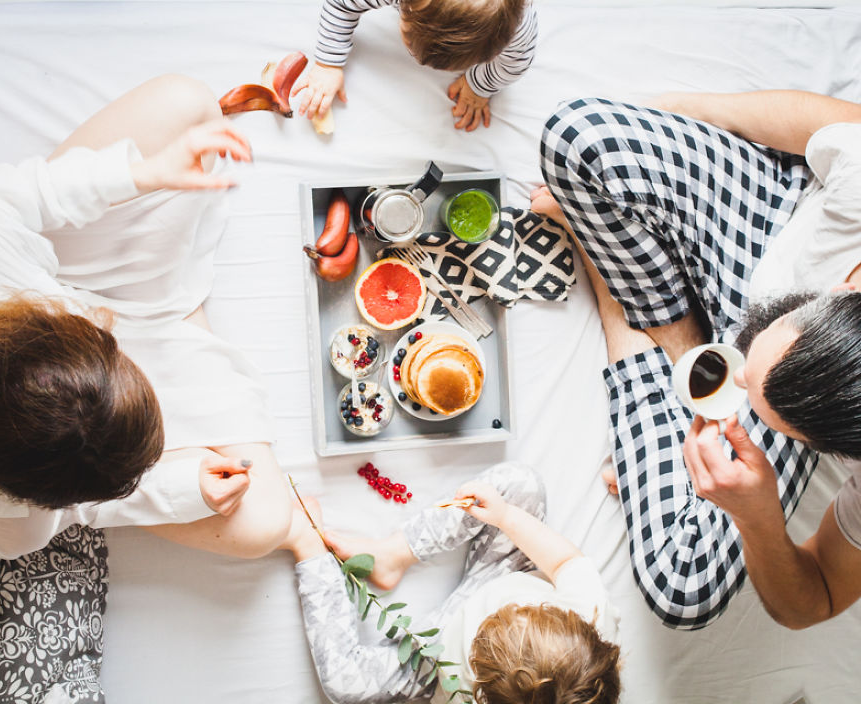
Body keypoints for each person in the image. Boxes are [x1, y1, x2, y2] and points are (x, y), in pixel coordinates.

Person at [0, 74, 292, 701]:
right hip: (89, 310)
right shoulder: (9, 517)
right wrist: (173, 490)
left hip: (72, 278)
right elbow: (77, 505)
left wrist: (144, 174)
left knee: (188, 105)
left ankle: (175, 317)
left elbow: (30, 195)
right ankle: (184, 318)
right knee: (265, 523)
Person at [532, 89, 861, 630]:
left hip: (811, 387)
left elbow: (816, 599)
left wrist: (758, 518)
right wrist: (667, 117)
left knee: (686, 587)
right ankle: (669, 334)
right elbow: (834, 123)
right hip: (780, 216)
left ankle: (615, 291)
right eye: (763, 341)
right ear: (848, 284)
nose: (730, 368)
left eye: (748, 391)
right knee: (578, 135)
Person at [284, 462, 620, 703]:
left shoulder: (473, 693)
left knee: (347, 684)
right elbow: (564, 562)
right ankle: (393, 554)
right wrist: (504, 517)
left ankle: (307, 545)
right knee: (521, 483)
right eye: (523, 613)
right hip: (505, 575)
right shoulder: (590, 615)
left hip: (442, 654)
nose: (506, 612)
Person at [293, 0, 538, 132]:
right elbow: (341, 4)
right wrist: (328, 62)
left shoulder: (518, 30)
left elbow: (514, 64)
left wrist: (479, 86)